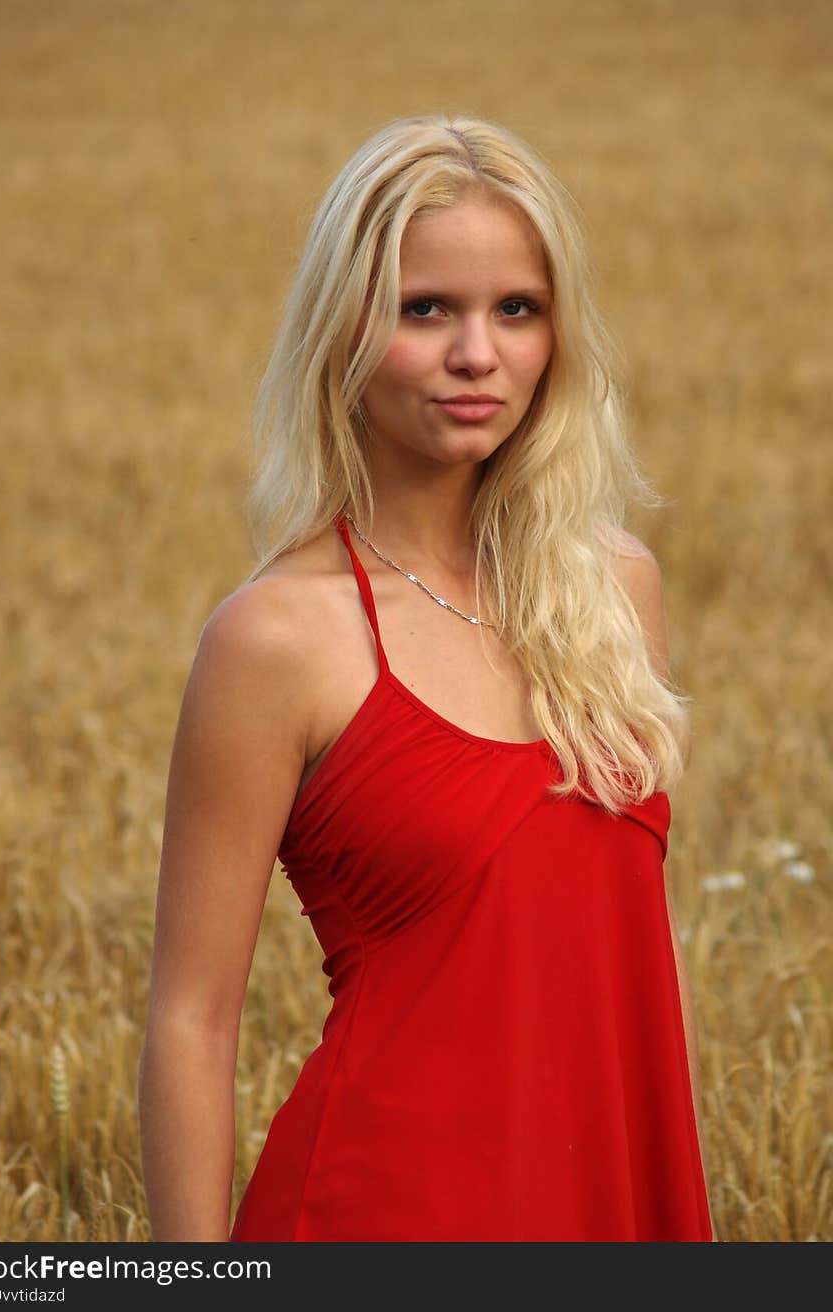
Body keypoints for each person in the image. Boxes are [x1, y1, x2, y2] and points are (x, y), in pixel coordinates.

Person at [137, 112, 716, 1242]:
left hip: (608, 1196)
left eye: (516, 309)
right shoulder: (275, 640)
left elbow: (609, 949)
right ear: (345, 328)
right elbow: (190, 1021)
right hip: (380, 1213)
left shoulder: (615, 593)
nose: (476, 355)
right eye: (424, 309)